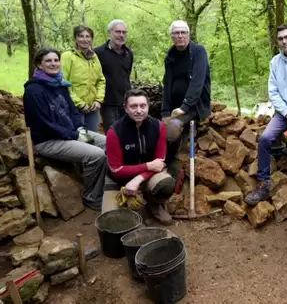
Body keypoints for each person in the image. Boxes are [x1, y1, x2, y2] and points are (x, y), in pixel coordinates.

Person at [23, 47, 107, 210]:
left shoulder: (60, 84)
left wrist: (80, 129)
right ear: (39, 65)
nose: (53, 64)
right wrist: (74, 135)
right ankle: (91, 196)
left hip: (70, 134)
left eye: (56, 60)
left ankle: (105, 183)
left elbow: (72, 111)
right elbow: (44, 124)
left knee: (108, 142)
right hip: (49, 141)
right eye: (48, 61)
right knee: (96, 155)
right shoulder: (33, 91)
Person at [244, 24, 287, 207]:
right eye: (280, 38)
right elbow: (273, 92)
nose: (284, 41)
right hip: (284, 113)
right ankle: (264, 183)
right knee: (265, 138)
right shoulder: (275, 62)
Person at [103, 89, 175, 225]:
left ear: (148, 106)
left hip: (147, 176)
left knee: (166, 182)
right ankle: (129, 206)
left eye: (143, 106)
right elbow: (117, 171)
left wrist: (138, 179)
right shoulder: (114, 132)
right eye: (133, 106)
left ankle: (153, 204)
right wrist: (148, 166)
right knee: (111, 221)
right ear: (125, 108)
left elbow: (159, 163)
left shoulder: (159, 127)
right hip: (118, 180)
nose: (139, 110)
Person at [160, 20, 212, 177]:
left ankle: (167, 163)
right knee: (158, 127)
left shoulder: (198, 52)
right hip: (175, 106)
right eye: (176, 33)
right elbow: (167, 84)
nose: (180, 36)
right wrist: (165, 111)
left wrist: (184, 106)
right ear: (172, 36)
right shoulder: (171, 55)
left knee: (172, 128)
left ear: (189, 34)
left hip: (194, 106)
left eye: (183, 32)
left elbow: (197, 82)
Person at [61, 25, 106, 132]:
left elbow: (101, 81)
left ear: (91, 39)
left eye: (88, 36)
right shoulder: (68, 56)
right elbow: (62, 82)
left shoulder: (94, 57)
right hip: (74, 108)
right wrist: (80, 104)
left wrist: (98, 100)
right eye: (81, 36)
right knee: (79, 138)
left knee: (93, 138)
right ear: (75, 38)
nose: (85, 39)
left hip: (92, 108)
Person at [94, 19, 134, 132]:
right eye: (117, 32)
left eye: (124, 32)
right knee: (113, 133)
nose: (121, 35)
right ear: (109, 33)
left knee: (127, 132)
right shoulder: (98, 53)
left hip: (126, 101)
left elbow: (127, 75)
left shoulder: (129, 53)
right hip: (108, 103)